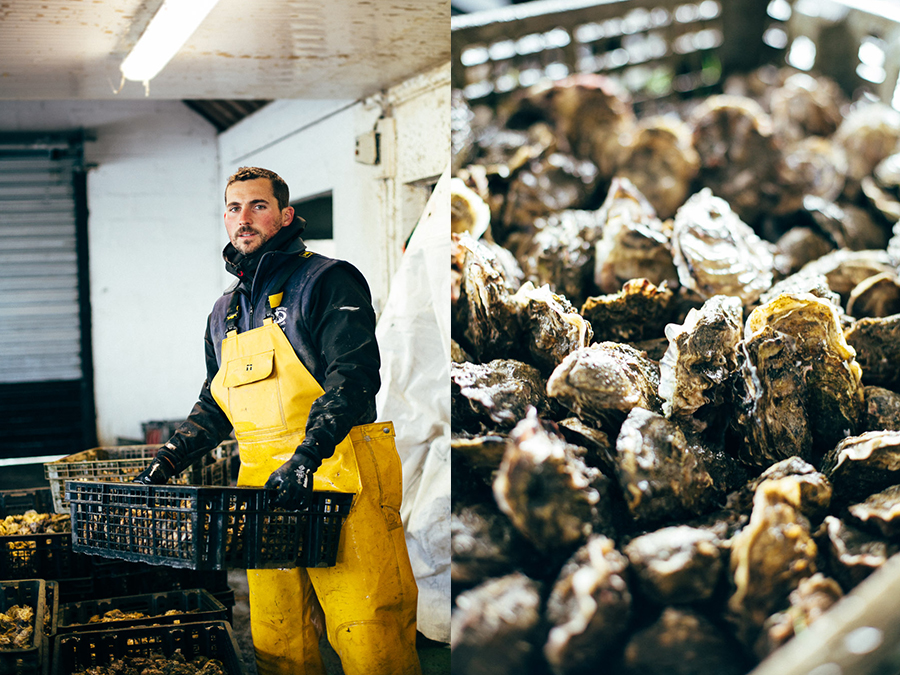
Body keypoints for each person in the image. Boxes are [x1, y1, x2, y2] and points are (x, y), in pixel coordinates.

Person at [135, 166, 421, 675]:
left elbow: (353, 380)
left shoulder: (329, 280)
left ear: (286, 215)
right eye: (233, 208)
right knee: (278, 633)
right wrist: (168, 460)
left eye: (257, 206)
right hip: (265, 491)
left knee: (369, 629)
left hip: (342, 476)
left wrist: (308, 455)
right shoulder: (224, 310)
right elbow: (216, 400)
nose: (243, 218)